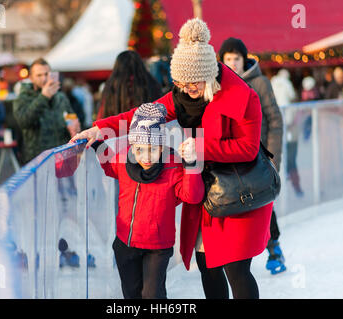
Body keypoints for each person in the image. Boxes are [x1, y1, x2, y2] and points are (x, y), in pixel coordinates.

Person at [72, 18, 273, 299]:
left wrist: (200, 149)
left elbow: (248, 148)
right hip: (205, 193)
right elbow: (142, 115)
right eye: (180, 83)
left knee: (236, 268)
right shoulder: (181, 96)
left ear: (208, 75)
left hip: (239, 192)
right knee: (208, 264)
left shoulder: (244, 97)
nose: (186, 89)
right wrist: (99, 128)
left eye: (192, 83)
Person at [92, 102, 204, 298]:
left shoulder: (173, 166)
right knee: (132, 294)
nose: (146, 156)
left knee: (153, 295)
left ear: (161, 146)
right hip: (126, 243)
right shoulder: (126, 160)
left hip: (158, 247)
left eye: (153, 149)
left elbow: (192, 196)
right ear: (132, 146)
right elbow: (110, 165)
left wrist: (192, 164)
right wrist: (96, 143)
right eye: (140, 149)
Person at [219, 37, 286, 275]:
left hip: (258, 157)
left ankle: (274, 247)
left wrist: (272, 156)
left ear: (243, 59)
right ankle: (238, 254)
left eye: (236, 58)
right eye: (227, 59)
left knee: (263, 201)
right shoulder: (221, 85)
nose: (232, 63)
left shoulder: (259, 83)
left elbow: (275, 120)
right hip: (233, 159)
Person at [13, 58, 80, 165]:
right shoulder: (23, 98)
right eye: (39, 75)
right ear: (31, 78)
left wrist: (74, 126)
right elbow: (23, 121)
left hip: (63, 158)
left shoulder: (60, 97)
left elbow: (71, 117)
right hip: (38, 160)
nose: (44, 78)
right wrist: (44, 97)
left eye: (46, 74)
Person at [96, 50, 162, 121]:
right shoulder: (150, 83)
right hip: (146, 128)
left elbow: (102, 115)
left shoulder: (111, 86)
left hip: (118, 128)